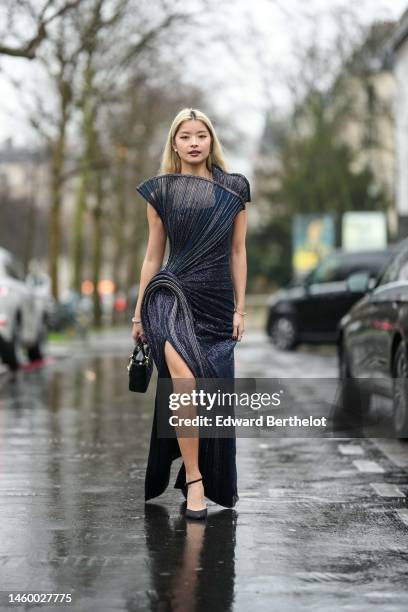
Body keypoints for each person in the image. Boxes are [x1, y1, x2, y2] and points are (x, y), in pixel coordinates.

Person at [132, 107, 251, 519]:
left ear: (211, 140)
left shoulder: (234, 188)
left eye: (201, 135)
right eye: (185, 136)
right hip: (169, 296)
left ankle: (193, 469)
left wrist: (240, 307)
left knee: (208, 392)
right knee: (184, 382)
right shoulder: (160, 193)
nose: (194, 142)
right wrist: (137, 315)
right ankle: (196, 481)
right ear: (174, 143)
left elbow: (238, 251)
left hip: (216, 304)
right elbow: (152, 258)